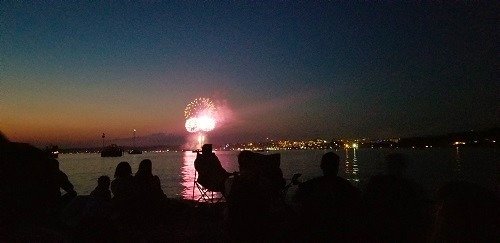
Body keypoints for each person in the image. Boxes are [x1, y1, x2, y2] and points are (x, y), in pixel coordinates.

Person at [294, 152, 361, 242]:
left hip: (316, 229)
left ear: (321, 166)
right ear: (337, 167)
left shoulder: (312, 184)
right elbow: (358, 199)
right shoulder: (344, 185)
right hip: (340, 230)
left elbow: (296, 198)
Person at [363, 153, 427, 242]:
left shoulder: (376, 183)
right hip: (401, 229)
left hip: (380, 228)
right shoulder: (411, 186)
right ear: (403, 166)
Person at [134, 159, 166, 225]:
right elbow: (158, 192)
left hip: (140, 206)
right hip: (153, 205)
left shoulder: (135, 180)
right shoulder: (154, 179)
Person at [110, 162, 136, 226]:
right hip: (132, 207)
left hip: (119, 207)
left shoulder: (114, 183)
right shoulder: (134, 181)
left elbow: (116, 194)